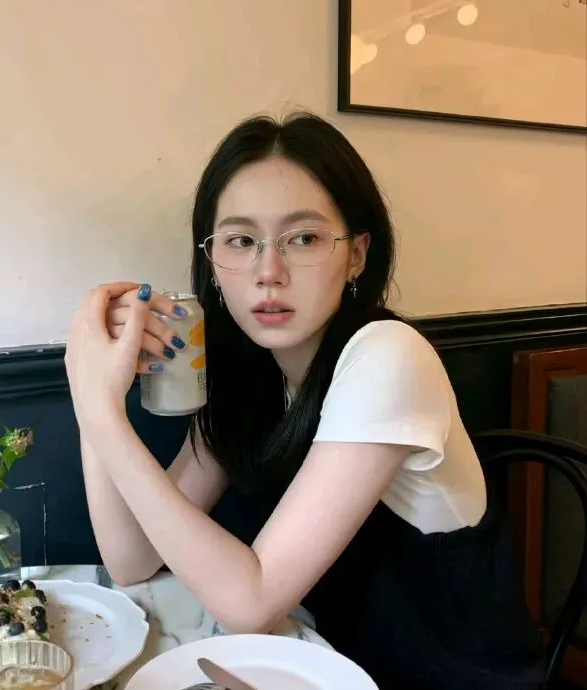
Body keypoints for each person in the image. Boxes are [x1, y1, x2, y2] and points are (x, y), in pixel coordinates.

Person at [65, 112, 544, 689]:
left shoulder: (388, 358)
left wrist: (102, 414)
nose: (268, 272)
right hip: (322, 668)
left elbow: (250, 602)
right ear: (212, 261)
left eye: (304, 239)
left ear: (357, 254)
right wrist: (91, 391)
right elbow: (131, 559)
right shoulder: (247, 374)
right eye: (241, 241)